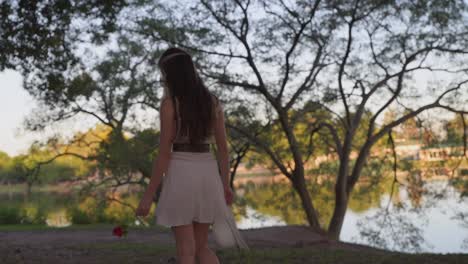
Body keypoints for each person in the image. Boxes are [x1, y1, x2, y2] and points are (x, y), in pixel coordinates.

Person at [135, 47, 249, 264]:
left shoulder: (170, 105)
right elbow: (223, 149)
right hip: (208, 175)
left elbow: (163, 154)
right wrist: (225, 184)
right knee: (201, 248)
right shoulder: (212, 102)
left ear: (170, 74)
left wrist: (148, 196)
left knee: (186, 251)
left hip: (181, 173)